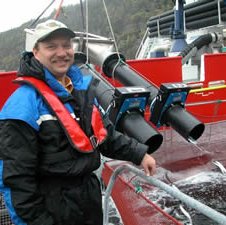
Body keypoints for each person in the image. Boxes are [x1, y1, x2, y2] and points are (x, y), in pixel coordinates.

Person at [0, 19, 156, 225]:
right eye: (51, 47)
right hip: (51, 208)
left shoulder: (79, 90)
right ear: (35, 52)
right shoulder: (22, 106)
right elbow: (17, 181)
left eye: (66, 45)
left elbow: (104, 135)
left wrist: (139, 153)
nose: (62, 52)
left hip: (88, 200)